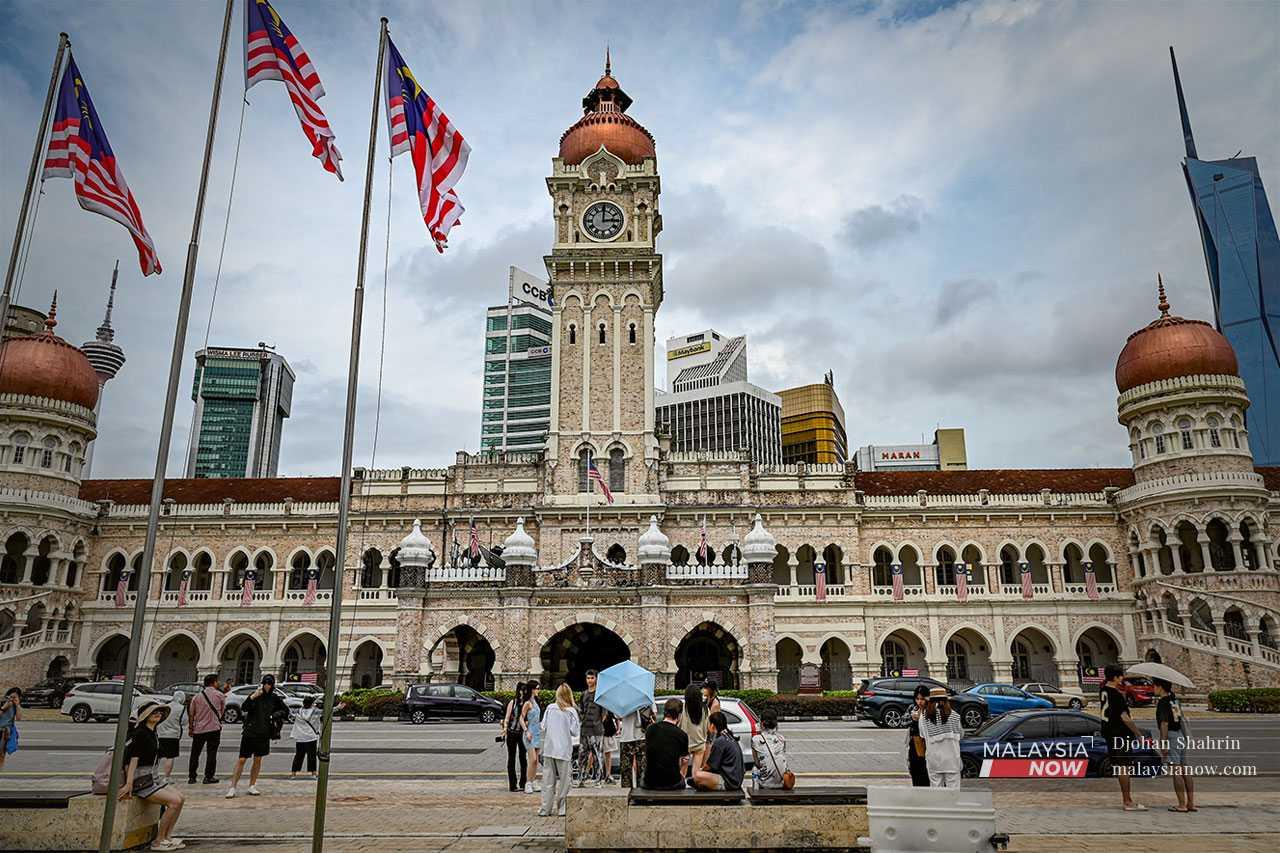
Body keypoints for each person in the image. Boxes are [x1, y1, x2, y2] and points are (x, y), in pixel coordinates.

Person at [119, 700, 186, 851]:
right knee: (174, 801)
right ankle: (158, 841)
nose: (158, 714)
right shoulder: (140, 733)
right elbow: (132, 759)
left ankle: (167, 837)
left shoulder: (153, 732)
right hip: (141, 780)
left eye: (159, 712)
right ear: (145, 715)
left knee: (181, 798)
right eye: (154, 712)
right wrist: (129, 784)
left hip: (153, 778)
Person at [226, 674, 289, 799]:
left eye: (269, 684)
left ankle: (252, 785)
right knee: (242, 759)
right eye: (265, 683)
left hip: (264, 732)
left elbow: (285, 711)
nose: (267, 686)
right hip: (250, 731)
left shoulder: (274, 698)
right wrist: (253, 697)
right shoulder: (255, 695)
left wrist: (273, 716)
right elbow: (244, 708)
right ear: (262, 683)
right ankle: (233, 787)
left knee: (258, 759)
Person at [1101, 664, 1148, 811]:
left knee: (1121, 766)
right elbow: (1124, 716)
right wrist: (1138, 733)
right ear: (1115, 677)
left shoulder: (1103, 690)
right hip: (1120, 733)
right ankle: (1127, 801)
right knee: (1124, 767)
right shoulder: (1115, 694)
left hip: (1109, 732)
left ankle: (1127, 799)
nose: (1122, 679)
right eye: (1120, 676)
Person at [538, 683, 580, 817]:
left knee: (547, 782)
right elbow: (575, 732)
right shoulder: (571, 711)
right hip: (563, 750)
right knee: (564, 782)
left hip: (549, 748)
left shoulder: (550, 708)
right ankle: (562, 808)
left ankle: (545, 809)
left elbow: (543, 726)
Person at [1154, 677, 1195, 813]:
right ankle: (1190, 803)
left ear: (1160, 687)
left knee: (1176, 771)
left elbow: (1164, 724)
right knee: (1185, 770)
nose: (1153, 688)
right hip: (1180, 735)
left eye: (1154, 685)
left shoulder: (1163, 702)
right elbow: (1179, 718)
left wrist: (1163, 743)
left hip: (1171, 736)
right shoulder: (1174, 700)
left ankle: (1181, 804)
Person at [919, 687, 963, 789]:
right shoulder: (955, 716)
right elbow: (960, 735)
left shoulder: (924, 717)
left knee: (936, 791)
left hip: (934, 759)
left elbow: (922, 735)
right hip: (952, 758)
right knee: (953, 791)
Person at [643, 698, 690, 790]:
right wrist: (681, 777)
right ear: (679, 715)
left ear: (664, 712)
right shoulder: (682, 735)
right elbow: (685, 761)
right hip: (672, 782)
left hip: (650, 782)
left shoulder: (650, 729)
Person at [187, 673, 225, 785]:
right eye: (217, 681)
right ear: (213, 682)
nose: (218, 683)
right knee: (212, 753)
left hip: (199, 729)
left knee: (195, 753)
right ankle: (208, 776)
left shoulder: (197, 697)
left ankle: (192, 777)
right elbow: (222, 712)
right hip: (214, 728)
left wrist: (190, 727)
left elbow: (191, 714)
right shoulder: (220, 695)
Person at [693, 711, 744, 790]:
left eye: (709, 724)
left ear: (713, 725)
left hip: (729, 782)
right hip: (735, 779)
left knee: (697, 776)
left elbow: (709, 766)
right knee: (700, 776)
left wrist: (701, 771)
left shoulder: (720, 741)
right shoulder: (728, 736)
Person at [577, 670, 604, 787]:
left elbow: (604, 713)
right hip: (584, 730)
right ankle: (581, 779)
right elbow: (581, 710)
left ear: (596, 679)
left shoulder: (600, 695)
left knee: (597, 755)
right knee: (582, 755)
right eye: (588, 678)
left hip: (597, 730)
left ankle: (598, 780)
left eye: (592, 678)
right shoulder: (584, 694)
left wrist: (598, 723)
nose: (590, 680)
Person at [751, 708, 789, 789]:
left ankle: (756, 790)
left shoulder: (756, 739)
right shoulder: (781, 738)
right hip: (782, 781)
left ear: (762, 723)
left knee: (754, 768)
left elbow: (757, 763)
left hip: (765, 784)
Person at [617, 702, 652, 789]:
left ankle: (627, 795)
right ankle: (642, 795)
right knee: (642, 770)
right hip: (641, 736)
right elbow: (653, 712)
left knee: (626, 772)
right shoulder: (645, 695)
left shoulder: (621, 699)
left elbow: (618, 716)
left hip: (626, 737)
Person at [678, 683, 708, 783]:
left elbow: (678, 725)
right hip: (700, 744)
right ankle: (696, 794)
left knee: (682, 772)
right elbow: (707, 727)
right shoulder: (705, 709)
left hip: (684, 745)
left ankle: (679, 790)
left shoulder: (682, 708)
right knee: (696, 774)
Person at [155, 690, 188, 784]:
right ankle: (167, 778)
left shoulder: (165, 706)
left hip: (160, 733)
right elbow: (184, 721)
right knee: (170, 757)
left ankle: (154, 776)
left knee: (158, 757)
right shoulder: (181, 708)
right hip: (173, 735)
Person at [503, 682, 529, 792]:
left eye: (524, 690)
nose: (523, 692)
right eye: (521, 690)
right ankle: (512, 785)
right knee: (511, 758)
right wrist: (504, 728)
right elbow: (507, 718)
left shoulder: (528, 704)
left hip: (522, 734)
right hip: (512, 733)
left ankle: (523, 783)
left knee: (523, 758)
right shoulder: (512, 703)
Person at [290, 694, 321, 779]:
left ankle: (293, 774)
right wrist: (338, 707)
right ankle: (313, 774)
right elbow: (327, 711)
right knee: (312, 756)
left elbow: (290, 714)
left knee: (298, 756)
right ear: (311, 704)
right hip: (311, 737)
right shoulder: (315, 711)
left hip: (300, 738)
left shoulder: (298, 711)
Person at [906, 685, 930, 787]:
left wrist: (922, 719)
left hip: (928, 743)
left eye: (922, 699)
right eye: (917, 699)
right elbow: (903, 721)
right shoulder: (913, 708)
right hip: (915, 742)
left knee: (926, 769)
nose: (919, 702)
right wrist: (912, 719)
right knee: (915, 768)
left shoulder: (931, 709)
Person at [521, 681, 543, 794]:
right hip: (529, 733)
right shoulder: (527, 703)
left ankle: (533, 781)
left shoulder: (536, 702)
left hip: (537, 733)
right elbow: (521, 718)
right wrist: (526, 730)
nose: (538, 690)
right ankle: (528, 783)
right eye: (537, 688)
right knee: (532, 759)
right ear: (532, 689)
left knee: (536, 760)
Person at [0, 687, 22, 773]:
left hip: (6, 732)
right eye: (11, 696)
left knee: (2, 754)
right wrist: (4, 707)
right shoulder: (3, 702)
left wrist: (17, 705)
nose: (12, 699)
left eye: (15, 697)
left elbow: (19, 718)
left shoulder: (15, 705)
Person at [600, 709, 619, 785]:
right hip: (600, 732)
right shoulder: (599, 706)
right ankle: (589, 773)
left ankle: (608, 774)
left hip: (608, 732)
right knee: (594, 754)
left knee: (608, 754)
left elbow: (616, 718)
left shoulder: (610, 707)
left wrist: (617, 729)